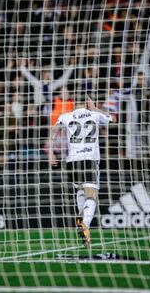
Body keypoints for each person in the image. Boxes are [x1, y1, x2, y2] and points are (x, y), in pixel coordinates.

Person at [49, 93, 113, 248]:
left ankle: (82, 223)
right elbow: (112, 119)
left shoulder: (66, 116)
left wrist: (51, 152)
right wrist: (95, 108)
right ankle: (84, 224)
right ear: (87, 102)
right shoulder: (94, 114)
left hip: (72, 161)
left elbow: (53, 131)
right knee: (91, 195)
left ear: (72, 103)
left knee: (80, 191)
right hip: (90, 159)